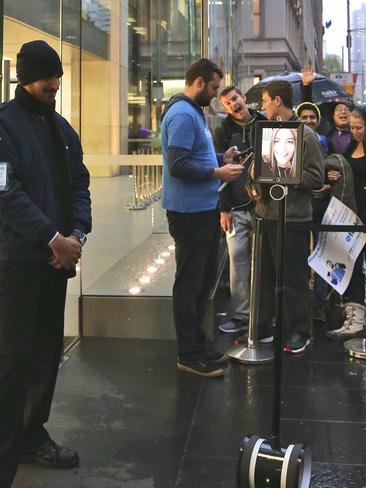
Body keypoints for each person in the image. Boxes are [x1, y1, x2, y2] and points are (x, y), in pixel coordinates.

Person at [0, 40, 92, 487]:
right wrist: (51, 238)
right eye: (45, 78)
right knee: (12, 358)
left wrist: (75, 235)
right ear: (25, 77)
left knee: (44, 354)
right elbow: (5, 194)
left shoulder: (60, 128)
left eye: (56, 77)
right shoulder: (4, 125)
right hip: (18, 262)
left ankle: (32, 434)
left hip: (56, 262)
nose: (53, 85)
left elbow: (80, 184)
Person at [161, 59, 244, 377]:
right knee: (190, 284)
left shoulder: (192, 111)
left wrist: (223, 158)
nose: (215, 94)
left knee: (202, 281)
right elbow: (178, 165)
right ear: (198, 82)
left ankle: (196, 345)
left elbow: (194, 156)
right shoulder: (182, 114)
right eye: (212, 88)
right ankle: (188, 353)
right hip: (189, 214)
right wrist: (218, 171)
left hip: (200, 211)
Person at [256, 80, 324, 354]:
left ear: (277, 101)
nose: (262, 106)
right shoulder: (268, 132)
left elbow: (316, 176)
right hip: (267, 213)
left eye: (264, 100)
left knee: (294, 275)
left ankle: (300, 330)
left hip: (293, 217)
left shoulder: (306, 135)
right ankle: (267, 325)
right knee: (265, 274)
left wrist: (285, 177)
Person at [213, 86, 266, 335]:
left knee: (266, 263)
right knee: (238, 261)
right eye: (226, 103)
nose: (232, 105)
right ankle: (242, 316)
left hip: (265, 206)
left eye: (234, 99)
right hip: (234, 207)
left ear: (243, 98)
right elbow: (218, 170)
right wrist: (224, 208)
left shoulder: (264, 122)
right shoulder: (222, 130)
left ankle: (264, 316)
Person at [327, 107, 366, 340]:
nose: (354, 131)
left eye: (358, 127)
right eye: (351, 127)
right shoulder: (351, 146)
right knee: (353, 263)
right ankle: (355, 315)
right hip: (353, 215)